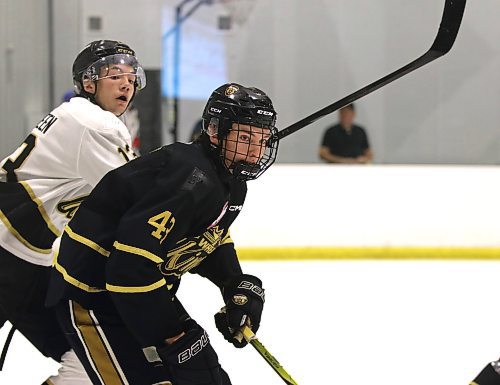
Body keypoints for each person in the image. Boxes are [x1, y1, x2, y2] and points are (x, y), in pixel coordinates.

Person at [46, 83, 278, 385]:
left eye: (261, 139)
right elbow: (128, 267)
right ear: (214, 131)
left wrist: (233, 282)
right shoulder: (189, 178)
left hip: (140, 294)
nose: (255, 150)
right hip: (93, 299)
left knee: (203, 377)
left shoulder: (230, 183)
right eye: (245, 137)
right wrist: (171, 332)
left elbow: (209, 235)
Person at [0, 39, 146, 384]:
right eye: (115, 74)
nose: (127, 83)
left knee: (88, 355)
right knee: (91, 355)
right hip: (10, 253)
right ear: (89, 82)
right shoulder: (94, 123)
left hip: (20, 257)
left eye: (131, 76)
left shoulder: (76, 116)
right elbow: (136, 200)